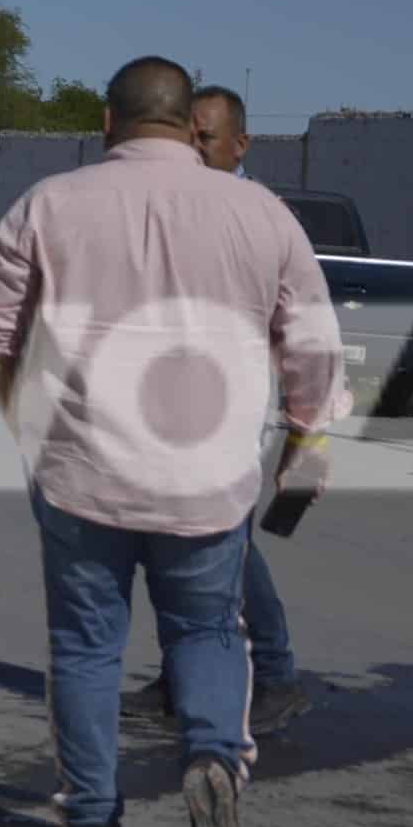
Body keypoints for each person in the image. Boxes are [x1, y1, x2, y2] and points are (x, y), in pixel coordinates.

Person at [0, 57, 342, 827]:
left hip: (80, 474)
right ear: (188, 123)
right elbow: (313, 344)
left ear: (108, 122)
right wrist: (306, 437)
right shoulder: (261, 213)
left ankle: (90, 820)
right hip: (206, 482)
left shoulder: (48, 205)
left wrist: (24, 426)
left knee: (87, 646)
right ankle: (212, 762)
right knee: (208, 634)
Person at [123, 84, 312, 736]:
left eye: (204, 137)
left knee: (220, 537)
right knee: (188, 536)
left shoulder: (261, 213)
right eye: (184, 136)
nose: (192, 148)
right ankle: (186, 676)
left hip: (242, 399)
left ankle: (279, 675)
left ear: (240, 144)